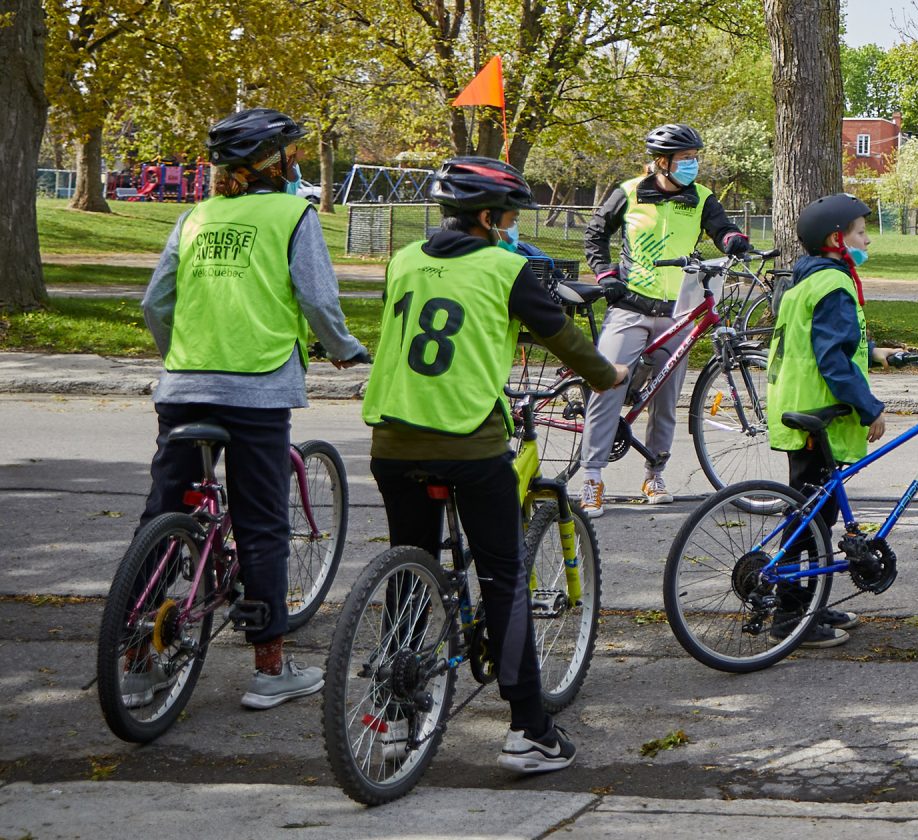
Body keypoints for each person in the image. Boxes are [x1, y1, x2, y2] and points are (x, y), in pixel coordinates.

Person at [361, 157, 624, 772]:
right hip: (469, 445)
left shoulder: (403, 258)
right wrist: (610, 374)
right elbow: (562, 337)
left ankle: (396, 713)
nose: (512, 226)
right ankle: (529, 728)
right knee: (504, 580)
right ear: (486, 217)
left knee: (412, 568)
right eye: (508, 216)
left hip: (393, 440)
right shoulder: (507, 268)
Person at [135, 108, 368, 713]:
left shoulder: (194, 217)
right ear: (276, 163)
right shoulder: (295, 215)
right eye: (291, 154)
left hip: (183, 386)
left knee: (163, 509)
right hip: (257, 388)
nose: (295, 163)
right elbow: (316, 297)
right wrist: (343, 350)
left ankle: (135, 656)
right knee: (263, 525)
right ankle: (269, 666)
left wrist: (181, 361)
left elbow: (156, 305)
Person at [577, 122, 758, 512]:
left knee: (665, 397)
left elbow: (721, 229)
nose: (693, 165)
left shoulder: (702, 197)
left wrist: (733, 241)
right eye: (685, 159)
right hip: (630, 306)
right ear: (662, 162)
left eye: (695, 158)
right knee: (607, 386)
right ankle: (591, 477)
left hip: (678, 310)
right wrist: (607, 276)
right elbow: (595, 235)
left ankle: (654, 473)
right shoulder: (627, 193)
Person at [762, 193, 889, 651]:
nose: (866, 238)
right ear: (837, 239)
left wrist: (873, 353)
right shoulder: (833, 287)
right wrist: (868, 406)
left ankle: (809, 602)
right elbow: (833, 362)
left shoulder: (808, 279)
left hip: (800, 403)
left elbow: (818, 343)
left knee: (815, 513)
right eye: (858, 231)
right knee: (811, 519)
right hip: (819, 412)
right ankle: (790, 616)